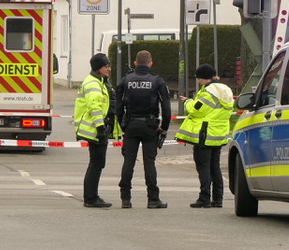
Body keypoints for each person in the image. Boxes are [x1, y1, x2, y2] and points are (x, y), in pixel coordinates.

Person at [115, 49, 172, 208]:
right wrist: (164, 129)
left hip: (131, 125)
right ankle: (153, 199)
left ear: (135, 63)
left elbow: (118, 107)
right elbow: (166, 109)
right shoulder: (157, 81)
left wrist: (123, 125)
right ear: (150, 63)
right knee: (149, 162)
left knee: (129, 161)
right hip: (150, 126)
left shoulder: (126, 80)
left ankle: (125, 198)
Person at [176, 64, 234, 208]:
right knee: (215, 167)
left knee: (203, 167)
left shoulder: (209, 92)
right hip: (219, 134)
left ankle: (204, 198)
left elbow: (197, 110)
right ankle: (218, 199)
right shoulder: (225, 89)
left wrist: (188, 102)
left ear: (203, 78)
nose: (198, 81)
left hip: (205, 135)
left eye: (198, 78)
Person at [74, 53, 120, 208]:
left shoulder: (99, 81)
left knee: (97, 163)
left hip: (97, 128)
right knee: (96, 163)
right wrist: (100, 128)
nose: (109, 69)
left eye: (109, 65)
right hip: (95, 129)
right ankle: (91, 198)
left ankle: (91, 196)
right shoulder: (93, 83)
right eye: (106, 66)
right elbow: (95, 107)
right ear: (98, 68)